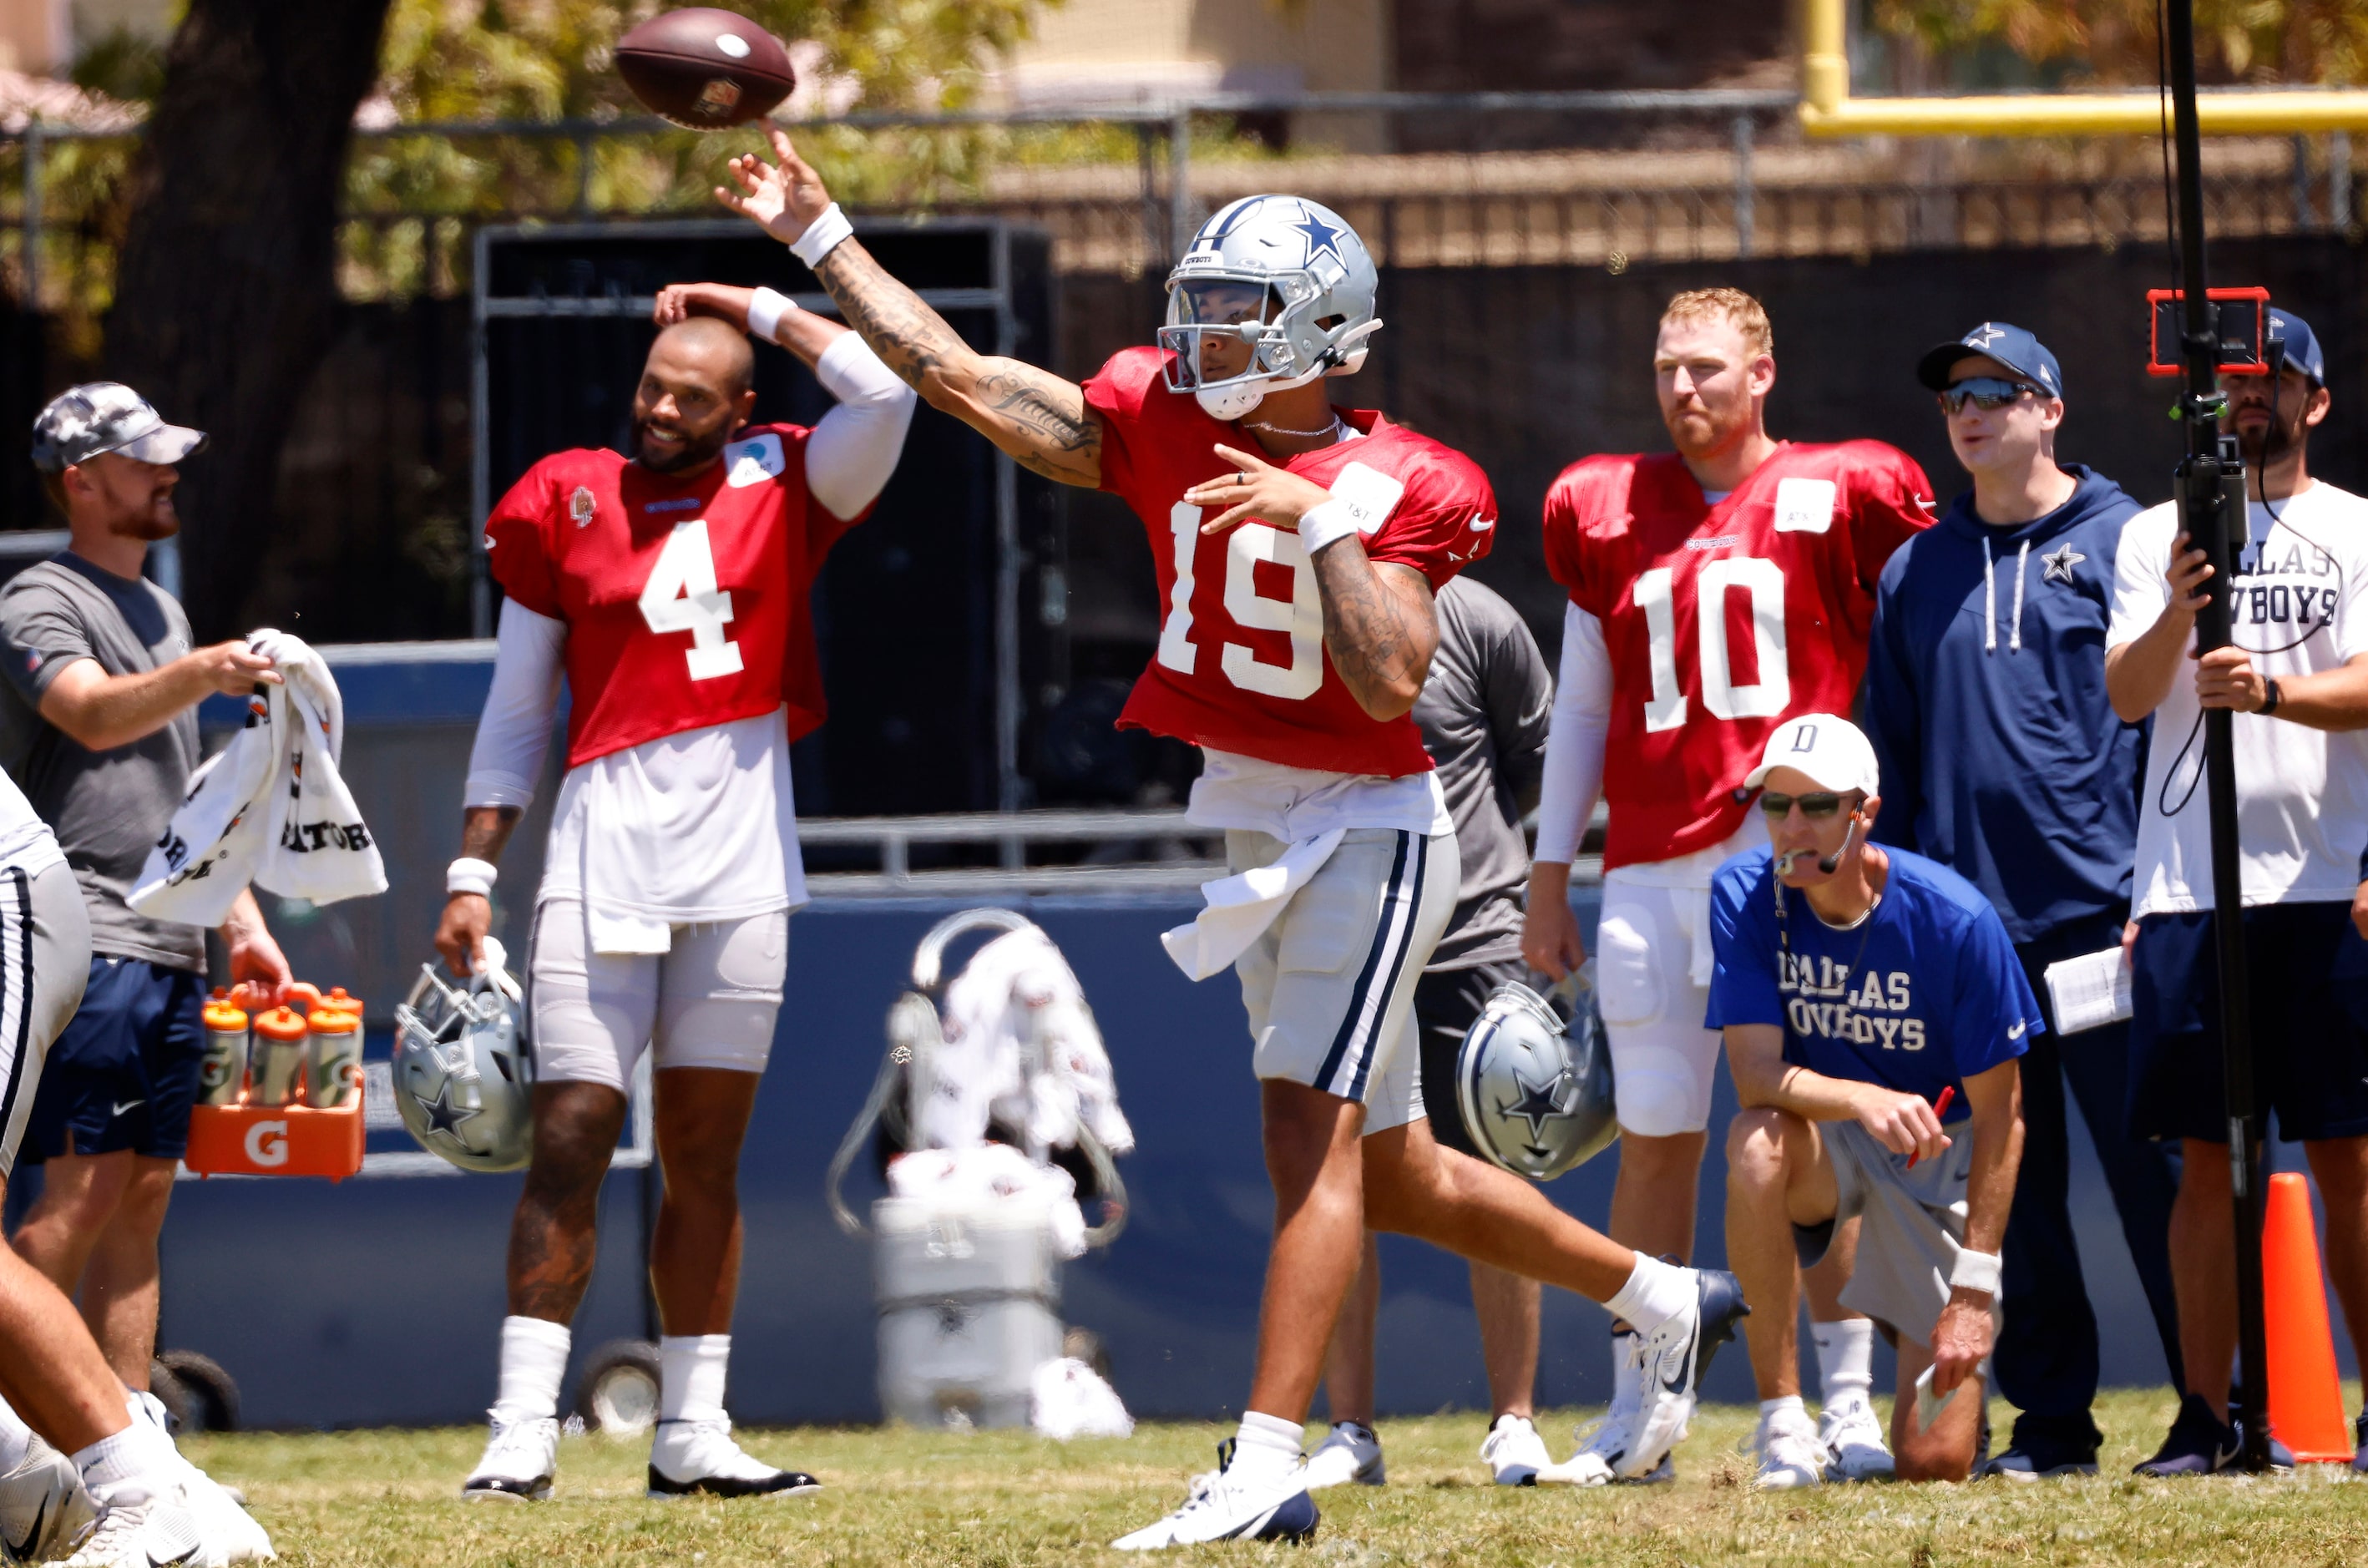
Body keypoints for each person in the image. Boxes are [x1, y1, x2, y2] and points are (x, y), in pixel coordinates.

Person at [711, 134, 1748, 1550]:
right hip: (1248, 810)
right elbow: (961, 378)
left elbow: (1391, 679)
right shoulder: (1155, 413)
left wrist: (1321, 516)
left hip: (1372, 823)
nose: (1196, 332)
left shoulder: (1409, 479)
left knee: (1300, 1138)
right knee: (1393, 1172)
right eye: (1197, 302)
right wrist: (822, 234)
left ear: (1321, 331)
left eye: (1234, 310)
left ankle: (1269, 1456)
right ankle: (1660, 1296)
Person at [436, 283, 916, 1501]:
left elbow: (887, 386)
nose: (658, 409)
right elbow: (516, 706)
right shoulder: (567, 492)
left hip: (741, 866)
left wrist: (751, 298)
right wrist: (473, 866)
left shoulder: (786, 478)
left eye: (691, 397)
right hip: (603, 856)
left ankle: (691, 1428)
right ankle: (521, 1426)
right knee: (571, 1139)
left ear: (741, 407)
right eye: (652, 385)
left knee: (706, 1159)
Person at [1524, 288, 1932, 1485]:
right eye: (1666, 368)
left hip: (1788, 858)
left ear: (1763, 373)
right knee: (1653, 1142)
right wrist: (1553, 873)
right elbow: (1584, 707)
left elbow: (1909, 654)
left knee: (1806, 1134)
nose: (1683, 389)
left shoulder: (1841, 490)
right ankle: (1639, 1410)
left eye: (1706, 367)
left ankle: (1840, 1405)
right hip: (1649, 861)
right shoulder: (1603, 507)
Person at [1861, 322, 2183, 1479]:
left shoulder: (2127, 537)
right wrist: (1896, 920)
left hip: (2111, 921)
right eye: (1955, 396)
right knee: (2017, 1194)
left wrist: (2167, 893)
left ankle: (2217, 1407)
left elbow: (2177, 735)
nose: (1971, 411)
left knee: (2162, 1176)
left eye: (1996, 391)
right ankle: (2054, 1425)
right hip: (1971, 941)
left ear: (2051, 407)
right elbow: (1884, 758)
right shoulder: (1917, 566)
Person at [0, 385, 278, 1565]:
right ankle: (44, 1440)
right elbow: (92, 716)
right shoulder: (38, 597)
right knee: (67, 1204)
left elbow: (185, 792)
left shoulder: (161, 604)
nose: (168, 474)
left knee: (140, 1202)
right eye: (141, 459)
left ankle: (138, 1452)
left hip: (170, 933)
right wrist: (207, 669)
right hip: (90, 924)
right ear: (79, 478)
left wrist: (245, 915)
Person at [2105, 307, 2368, 1475]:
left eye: (2277, 381)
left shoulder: (2355, 529)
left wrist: (2265, 692)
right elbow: (2124, 695)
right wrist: (2175, 602)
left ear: (2316, 400)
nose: (2252, 399)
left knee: (2346, 1149)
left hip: (2322, 881)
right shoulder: (2153, 534)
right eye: (2235, 386)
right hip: (2188, 888)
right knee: (2201, 1157)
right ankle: (2205, 1414)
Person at [1715, 714, 2032, 1485]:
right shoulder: (1745, 892)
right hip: (1839, 1144)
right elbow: (1755, 1075)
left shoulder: (1956, 921)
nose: (1792, 827)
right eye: (1775, 805)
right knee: (1757, 1142)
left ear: (1866, 813)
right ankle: (1788, 1419)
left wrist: (1972, 1293)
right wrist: (1862, 1097)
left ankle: (1921, 1356)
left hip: (1940, 1154)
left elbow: (2003, 1117)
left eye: (1818, 806)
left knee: (1932, 1464)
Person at [1303, 574, 1557, 1490]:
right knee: (1333, 1171)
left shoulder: (1478, 613)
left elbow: (1531, 759)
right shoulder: (1279, 599)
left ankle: (1516, 1424)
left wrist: (1467, 869)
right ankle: (1349, 1432)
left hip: (1475, 931)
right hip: (1339, 933)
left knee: (1499, 1167)